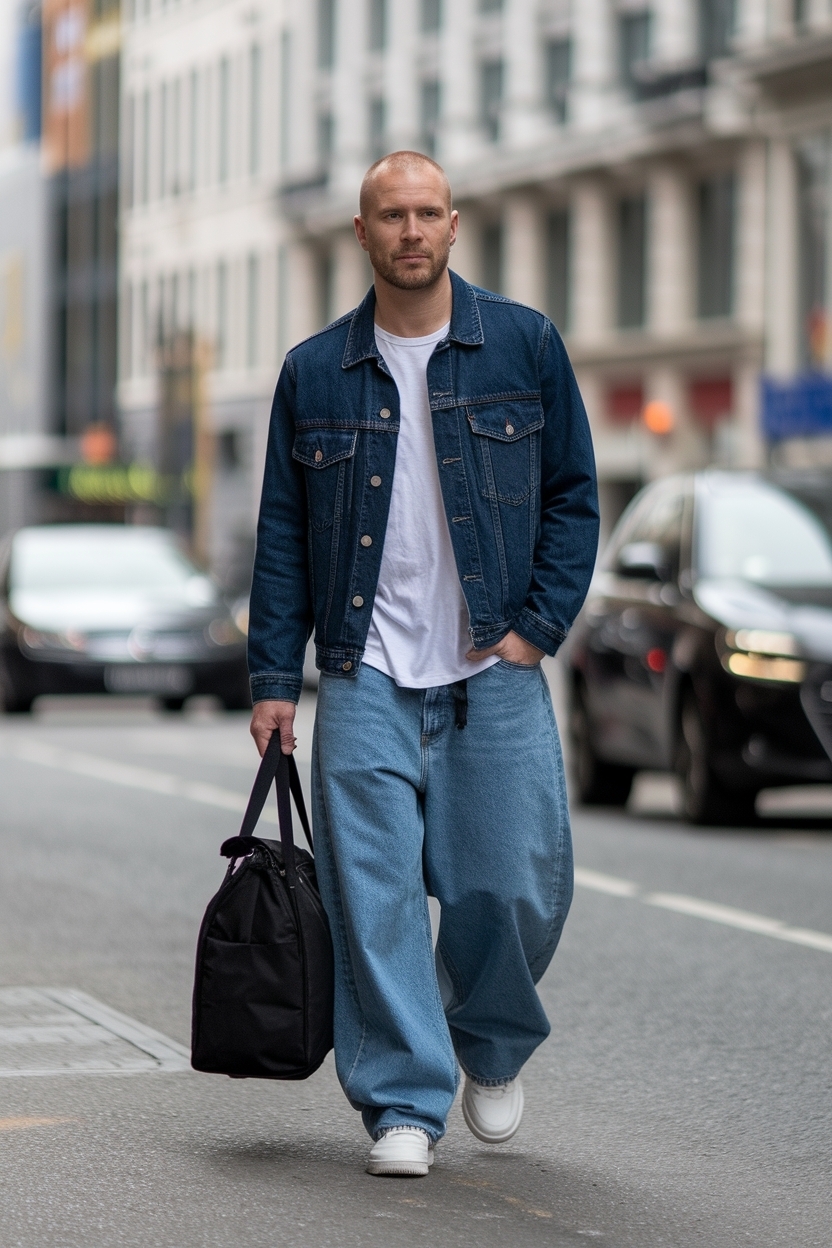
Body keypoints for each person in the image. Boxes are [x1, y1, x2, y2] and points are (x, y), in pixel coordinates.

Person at [248, 151, 598, 1178]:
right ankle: (404, 1098)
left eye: (427, 213)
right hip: (362, 670)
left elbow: (575, 495)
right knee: (374, 895)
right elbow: (281, 531)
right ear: (360, 233)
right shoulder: (315, 370)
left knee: (514, 886)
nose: (410, 230)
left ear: (454, 225)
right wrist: (274, 679)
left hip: (493, 665)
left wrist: (537, 626)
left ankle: (486, 1045)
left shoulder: (524, 345)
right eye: (389, 215)